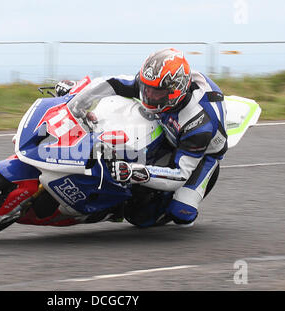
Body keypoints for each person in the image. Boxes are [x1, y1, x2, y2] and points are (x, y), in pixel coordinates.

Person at [55, 48, 228, 227]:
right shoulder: (157, 83)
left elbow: (180, 175)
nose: (148, 96)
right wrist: (76, 102)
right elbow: (111, 83)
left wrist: (135, 172)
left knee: (181, 212)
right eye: (146, 89)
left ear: (176, 92)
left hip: (200, 154)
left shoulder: (199, 124)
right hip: (168, 124)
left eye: (156, 93)